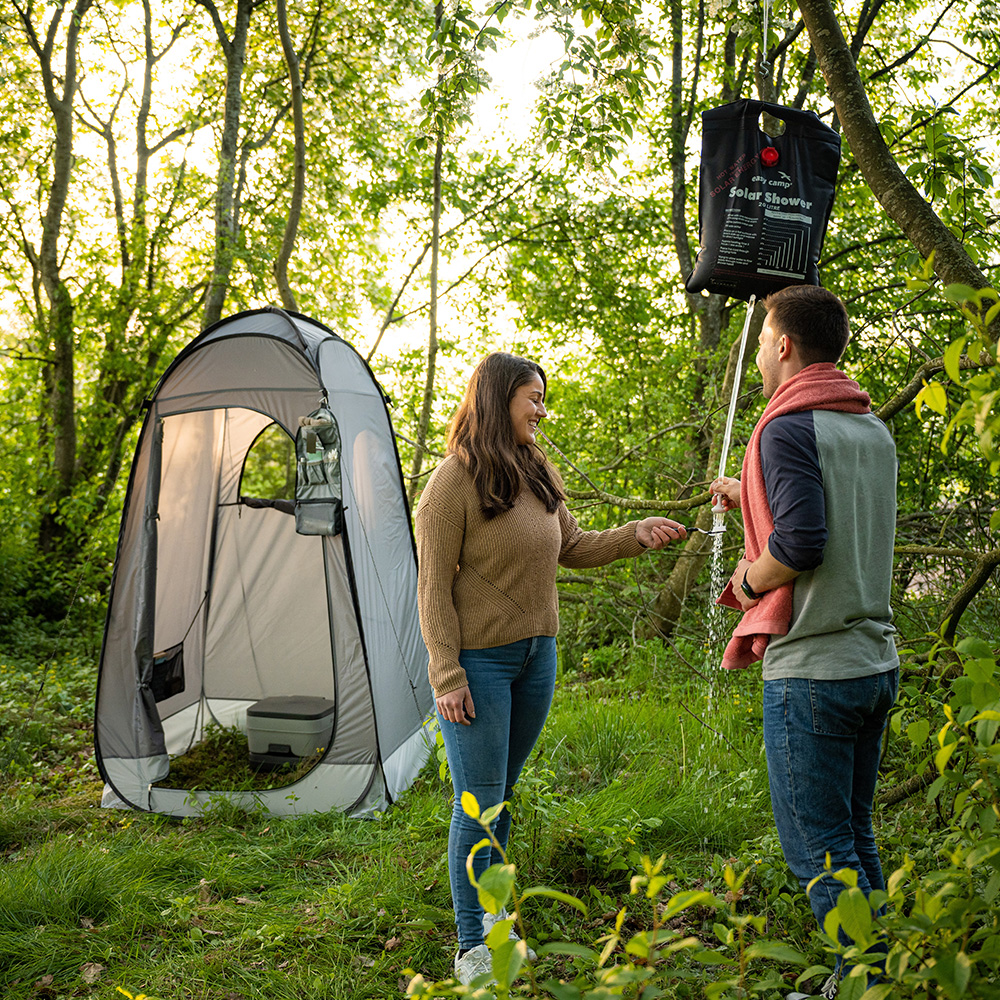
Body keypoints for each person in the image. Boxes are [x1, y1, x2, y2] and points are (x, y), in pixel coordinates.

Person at [415, 351, 687, 986]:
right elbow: (431, 587)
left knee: (500, 798)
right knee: (477, 804)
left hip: (538, 657)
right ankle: (472, 946)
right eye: (531, 397)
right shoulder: (451, 483)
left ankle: (497, 923)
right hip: (478, 665)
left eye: (542, 396)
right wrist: (446, 673)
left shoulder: (535, 469)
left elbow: (574, 547)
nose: (541, 408)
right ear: (496, 400)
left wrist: (635, 533)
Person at [711, 285, 899, 1000]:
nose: (760, 351)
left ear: (785, 344)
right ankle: (877, 978)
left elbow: (801, 541)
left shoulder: (784, 429)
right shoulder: (867, 427)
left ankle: (859, 988)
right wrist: (748, 489)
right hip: (874, 661)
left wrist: (750, 581)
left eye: (762, 339)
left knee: (820, 854)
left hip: (814, 670)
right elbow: (833, 510)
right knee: (856, 838)